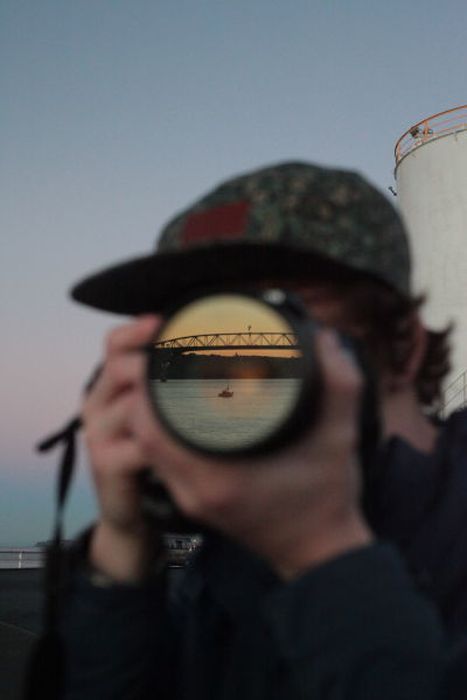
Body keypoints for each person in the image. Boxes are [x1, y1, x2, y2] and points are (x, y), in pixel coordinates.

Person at [58, 162, 461, 698]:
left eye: (274, 324)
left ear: (404, 348)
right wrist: (123, 558)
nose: (228, 362)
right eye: (195, 335)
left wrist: (320, 551)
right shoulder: (228, 549)